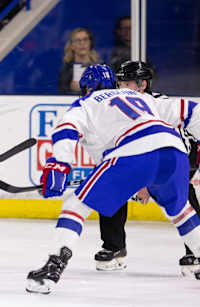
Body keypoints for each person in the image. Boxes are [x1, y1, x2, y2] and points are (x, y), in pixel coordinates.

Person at [26, 64, 200, 294]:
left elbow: (66, 130)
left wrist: (59, 165)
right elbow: (191, 110)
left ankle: (53, 267)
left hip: (132, 152)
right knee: (180, 211)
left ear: (86, 88)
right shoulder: (139, 96)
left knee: (75, 204)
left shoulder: (85, 104)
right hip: (174, 152)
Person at [94, 60, 200, 277]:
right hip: (137, 160)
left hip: (173, 159)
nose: (121, 86)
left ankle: (195, 251)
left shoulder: (160, 105)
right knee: (110, 185)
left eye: (126, 82)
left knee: (184, 196)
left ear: (142, 84)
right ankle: (114, 247)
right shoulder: (118, 106)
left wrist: (148, 182)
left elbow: (171, 145)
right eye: (119, 82)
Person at [58, 28, 103, 95]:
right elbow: (60, 94)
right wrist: (71, 90)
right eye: (78, 40)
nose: (82, 43)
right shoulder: (66, 70)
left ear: (90, 43)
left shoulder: (101, 68)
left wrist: (84, 88)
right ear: (72, 45)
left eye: (85, 39)